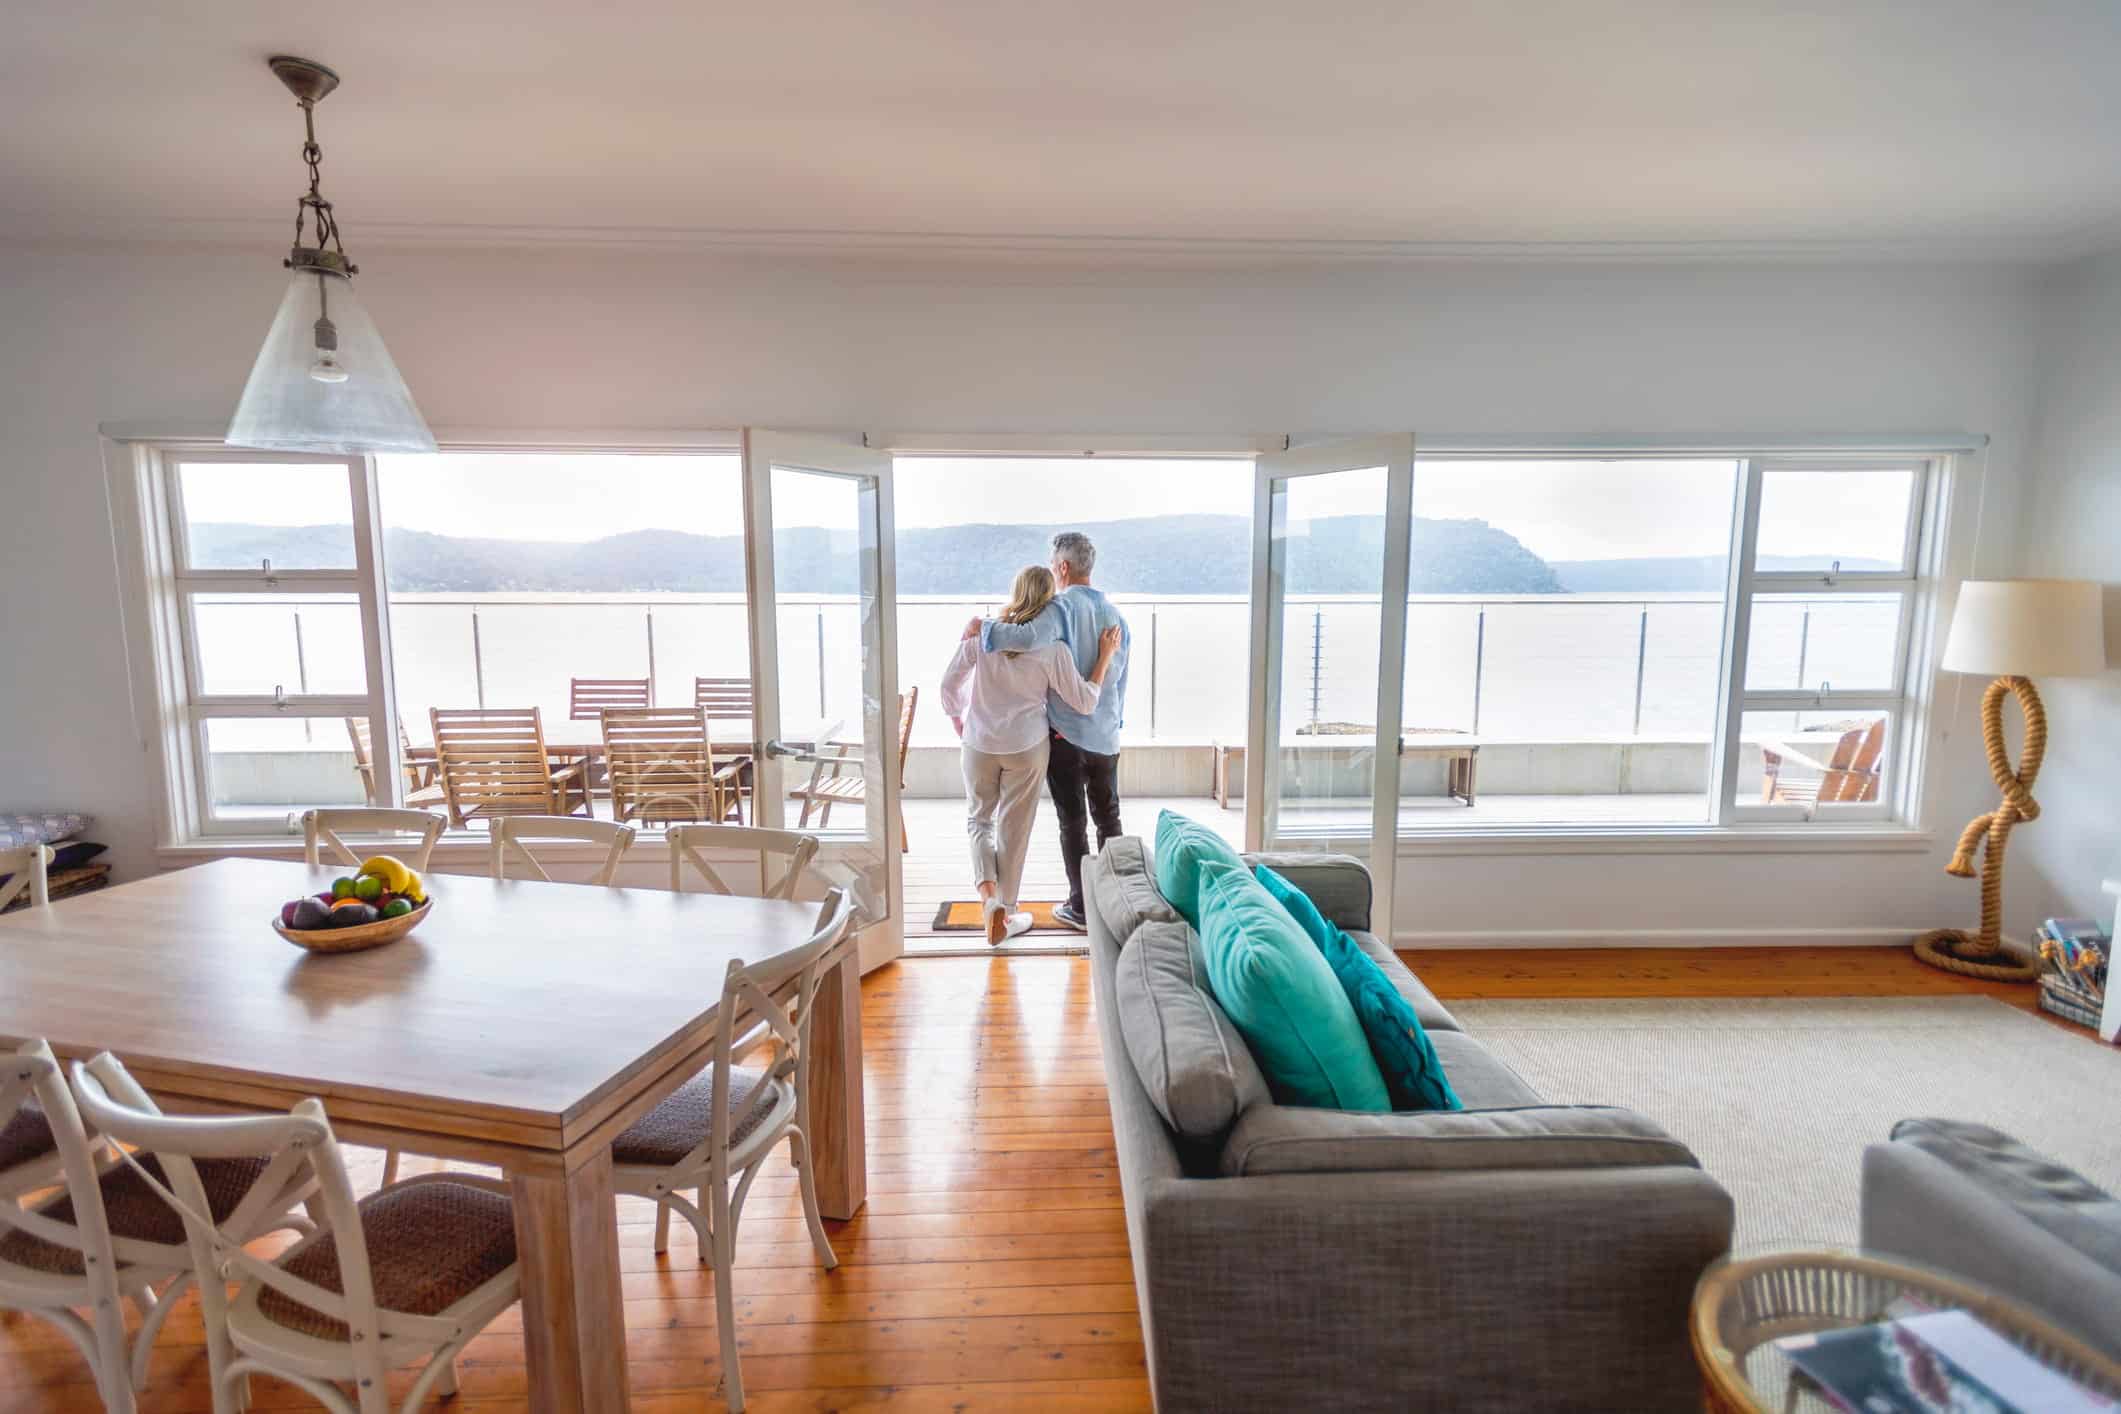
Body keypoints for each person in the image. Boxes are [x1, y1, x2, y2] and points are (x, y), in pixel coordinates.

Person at [941, 564, 1124, 944]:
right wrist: (1104, 656)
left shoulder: (982, 635)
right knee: (1014, 831)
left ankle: (989, 898)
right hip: (1026, 747)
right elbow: (1086, 702)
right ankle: (1005, 913)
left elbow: (948, 686)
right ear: (1048, 603)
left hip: (979, 743)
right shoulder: (1053, 649)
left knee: (979, 821)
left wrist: (960, 720)